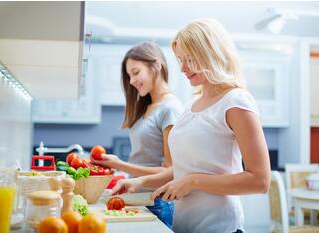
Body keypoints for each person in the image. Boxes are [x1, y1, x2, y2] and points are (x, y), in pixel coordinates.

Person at [111, 18, 271, 233]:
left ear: (211, 53)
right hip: (183, 225)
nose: (183, 68)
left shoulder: (236, 102)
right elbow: (183, 168)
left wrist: (194, 182)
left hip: (219, 227)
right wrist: (140, 182)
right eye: (180, 60)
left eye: (189, 59)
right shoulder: (191, 105)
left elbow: (259, 181)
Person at [91, 41, 184, 228]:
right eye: (129, 75)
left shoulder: (170, 109)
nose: (132, 81)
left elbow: (170, 171)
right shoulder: (148, 106)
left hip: (157, 201)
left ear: (156, 65)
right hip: (140, 198)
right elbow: (143, 160)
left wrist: (119, 164)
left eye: (135, 72)